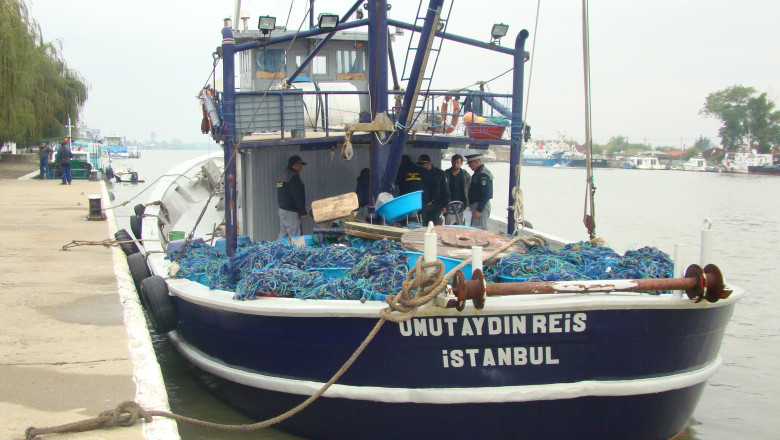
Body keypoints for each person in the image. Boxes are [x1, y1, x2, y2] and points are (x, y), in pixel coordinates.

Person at [276, 155, 308, 239]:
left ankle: (278, 247)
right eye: (300, 165)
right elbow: (297, 194)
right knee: (295, 237)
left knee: (283, 236)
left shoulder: (283, 175)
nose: (301, 167)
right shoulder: (293, 176)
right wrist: (302, 211)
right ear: (295, 164)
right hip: (291, 212)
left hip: (282, 210)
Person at [417, 154, 449, 225]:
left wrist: (445, 205)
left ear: (429, 163)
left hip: (436, 205)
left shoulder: (440, 174)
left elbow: (445, 190)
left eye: (423, 165)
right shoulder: (419, 173)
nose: (421, 167)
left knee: (434, 225)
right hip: (423, 204)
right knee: (422, 225)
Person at [465, 153, 493, 229]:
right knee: (475, 227)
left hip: (480, 206)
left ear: (477, 162)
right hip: (476, 205)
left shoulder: (483, 174)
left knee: (479, 228)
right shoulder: (478, 173)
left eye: (470, 164)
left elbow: (486, 194)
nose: (469, 166)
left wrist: (479, 209)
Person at [444, 154, 471, 225]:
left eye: (457, 163)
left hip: (461, 205)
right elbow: (442, 190)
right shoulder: (445, 174)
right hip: (448, 204)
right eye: (454, 162)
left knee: (460, 225)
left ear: (461, 163)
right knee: (449, 224)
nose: (455, 164)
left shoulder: (466, 175)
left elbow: (470, 190)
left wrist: (470, 203)